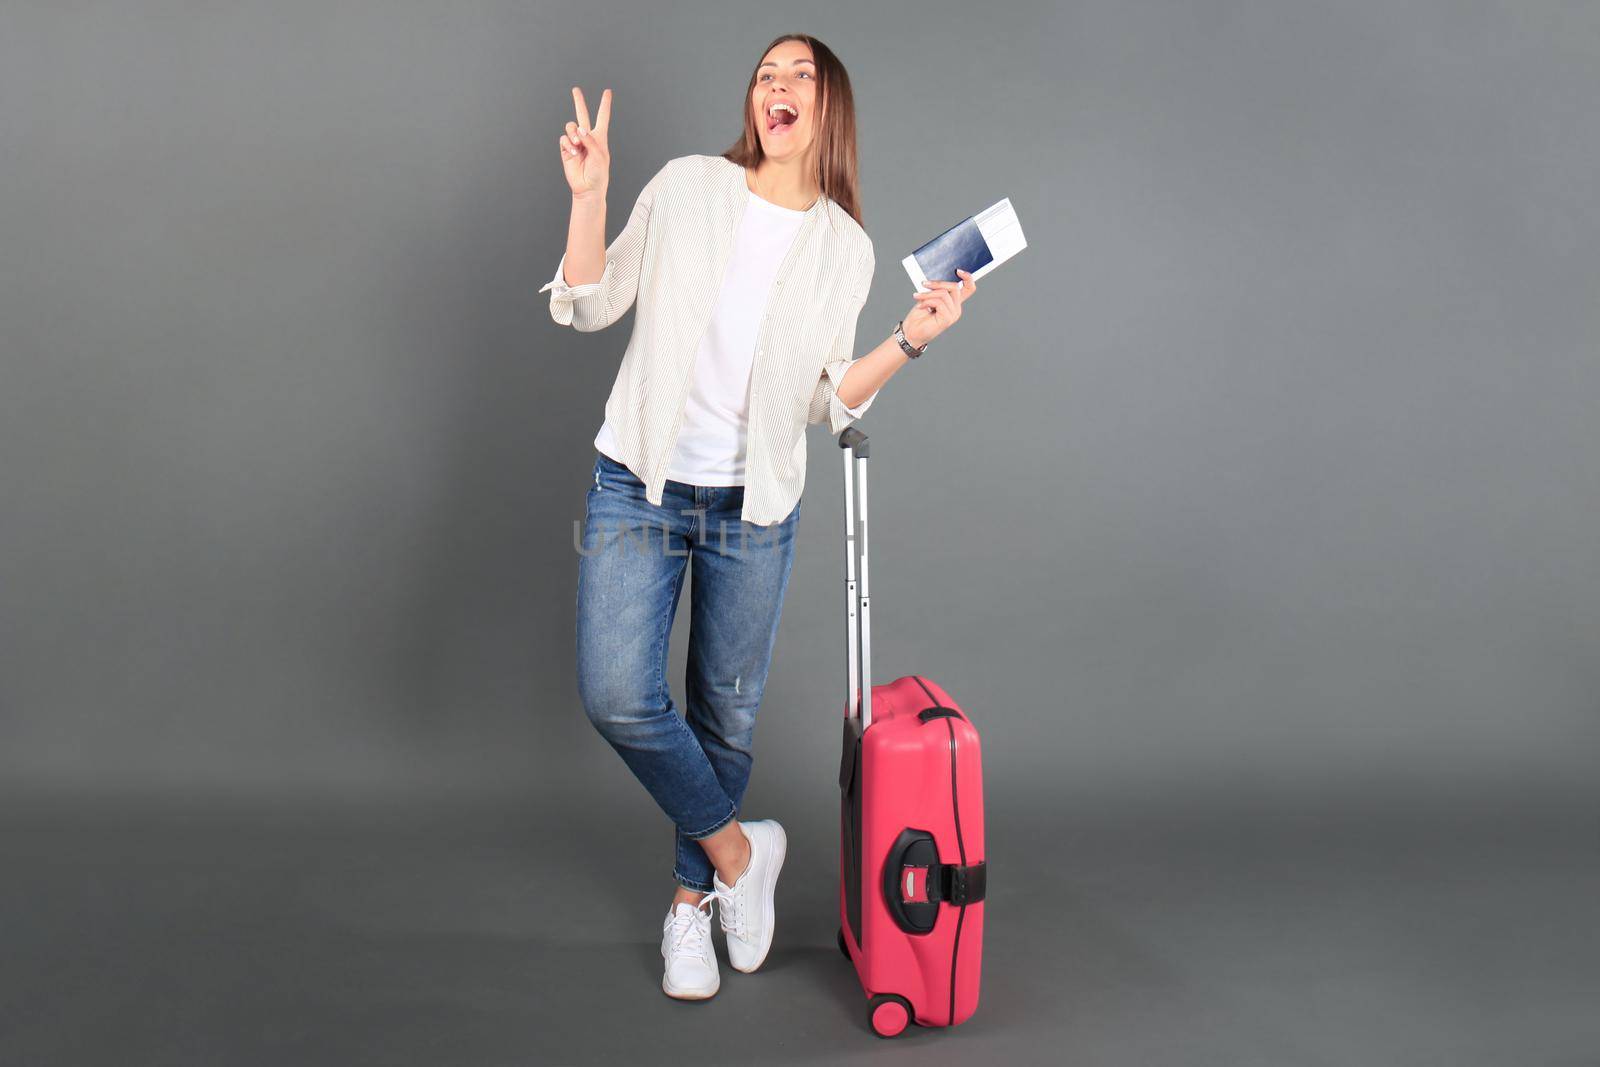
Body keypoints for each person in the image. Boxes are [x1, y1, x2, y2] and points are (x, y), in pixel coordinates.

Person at [540, 33, 976, 1001]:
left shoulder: (844, 247)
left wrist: (909, 337)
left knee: (722, 713)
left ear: (829, 111)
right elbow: (591, 301)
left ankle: (690, 903)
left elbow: (825, 396)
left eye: (800, 76)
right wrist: (587, 195)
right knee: (618, 694)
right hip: (638, 485)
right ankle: (742, 853)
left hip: (755, 504)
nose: (776, 86)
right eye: (765, 73)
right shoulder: (688, 185)